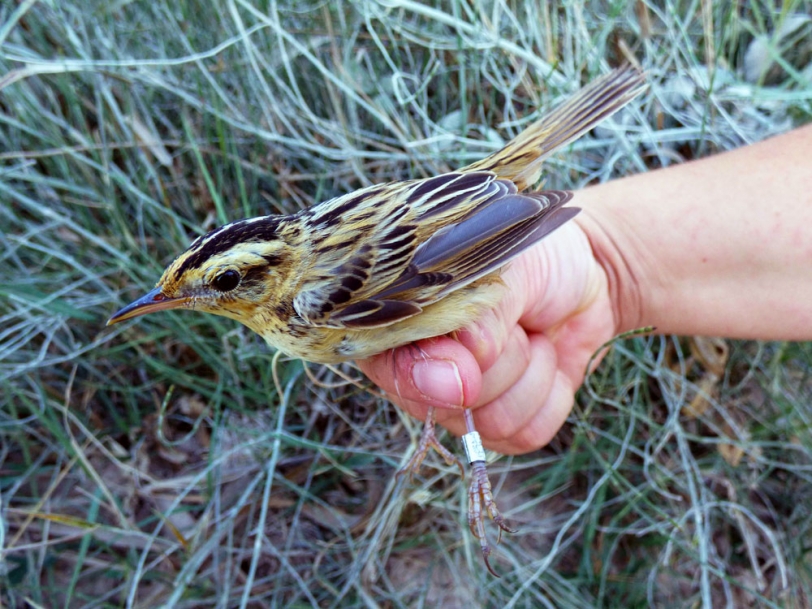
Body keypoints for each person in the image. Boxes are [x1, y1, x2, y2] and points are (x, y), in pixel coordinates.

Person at [357, 124, 812, 456]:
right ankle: (470, 454)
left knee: (461, 364)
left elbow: (429, 258)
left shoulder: (312, 308)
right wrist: (604, 263)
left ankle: (468, 456)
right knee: (460, 373)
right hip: (473, 227)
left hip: (460, 241)